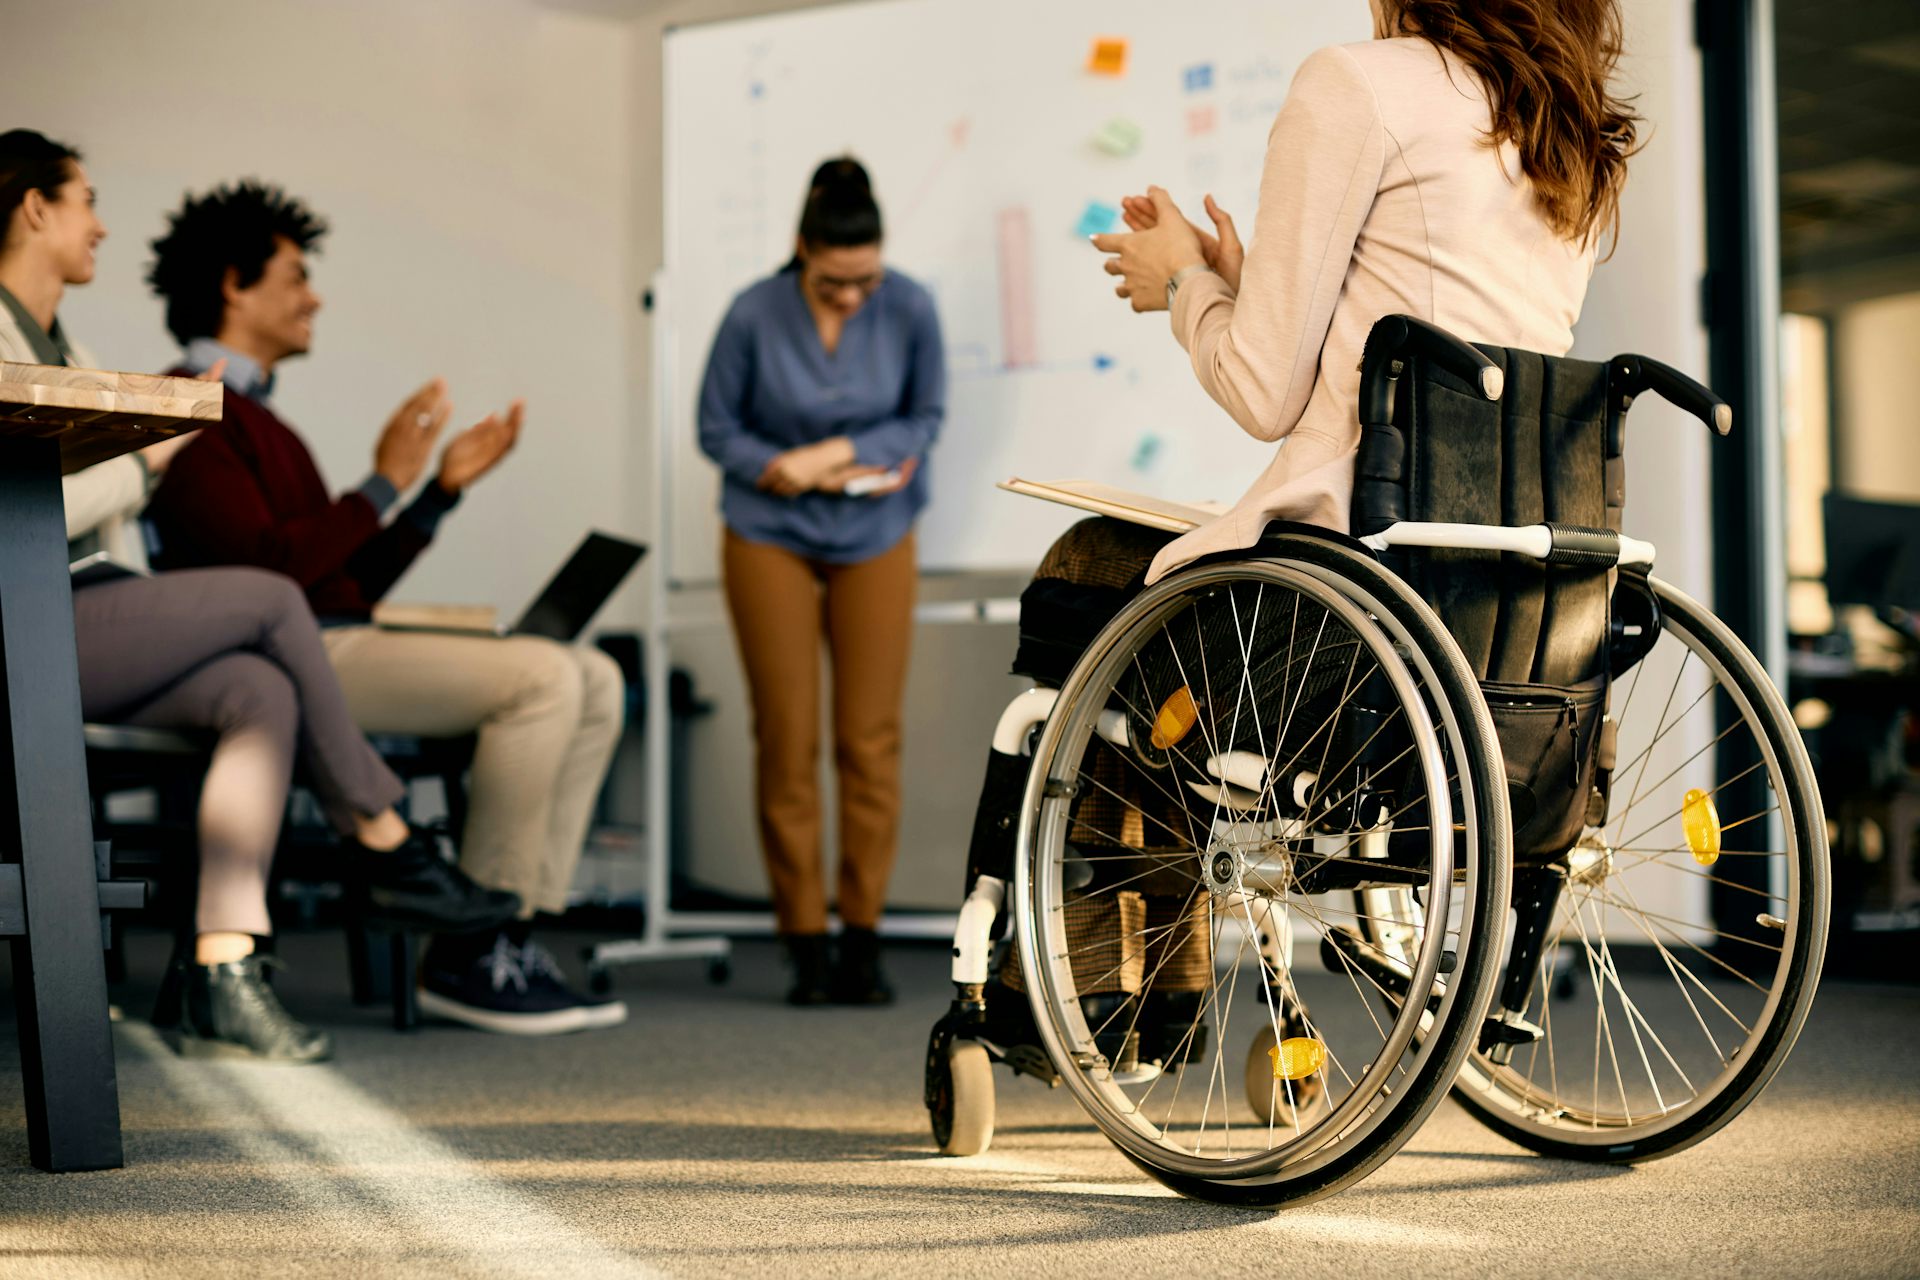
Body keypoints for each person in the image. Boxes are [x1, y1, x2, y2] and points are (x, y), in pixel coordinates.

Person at [974, 0, 1640, 1074]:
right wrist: (1240, 280)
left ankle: (1109, 1000)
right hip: (1502, 612)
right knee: (1134, 608)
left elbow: (1261, 388)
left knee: (1085, 580)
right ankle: (1134, 994)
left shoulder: (1358, 82)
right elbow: (1419, 348)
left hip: (1342, 608)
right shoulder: (1566, 131)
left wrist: (1182, 285)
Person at [0, 128, 520, 1063]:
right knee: (273, 602)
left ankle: (225, 967)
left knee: (260, 689)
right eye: (84, 201)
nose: (102, 226)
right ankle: (386, 839)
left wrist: (426, 489)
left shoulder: (71, 346)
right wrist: (151, 454)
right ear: (35, 208)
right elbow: (23, 505)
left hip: (87, 605)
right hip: (24, 614)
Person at [142, 180, 628, 1036]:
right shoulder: (192, 408)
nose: (313, 295)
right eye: (295, 276)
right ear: (233, 284)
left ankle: (512, 930)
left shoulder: (260, 421)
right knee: (548, 678)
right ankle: (471, 956)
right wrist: (384, 482)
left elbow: (342, 580)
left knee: (596, 675)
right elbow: (264, 577)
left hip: (336, 638)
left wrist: (434, 495)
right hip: (295, 659)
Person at [698, 158, 945, 1006]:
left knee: (869, 740)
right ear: (802, 251)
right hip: (768, 533)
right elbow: (714, 428)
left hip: (876, 530)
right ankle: (804, 935)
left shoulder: (909, 305)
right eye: (835, 282)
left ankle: (862, 935)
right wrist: (776, 468)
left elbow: (924, 419)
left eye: (864, 281)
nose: (852, 297)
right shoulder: (750, 314)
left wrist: (832, 455)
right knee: (788, 735)